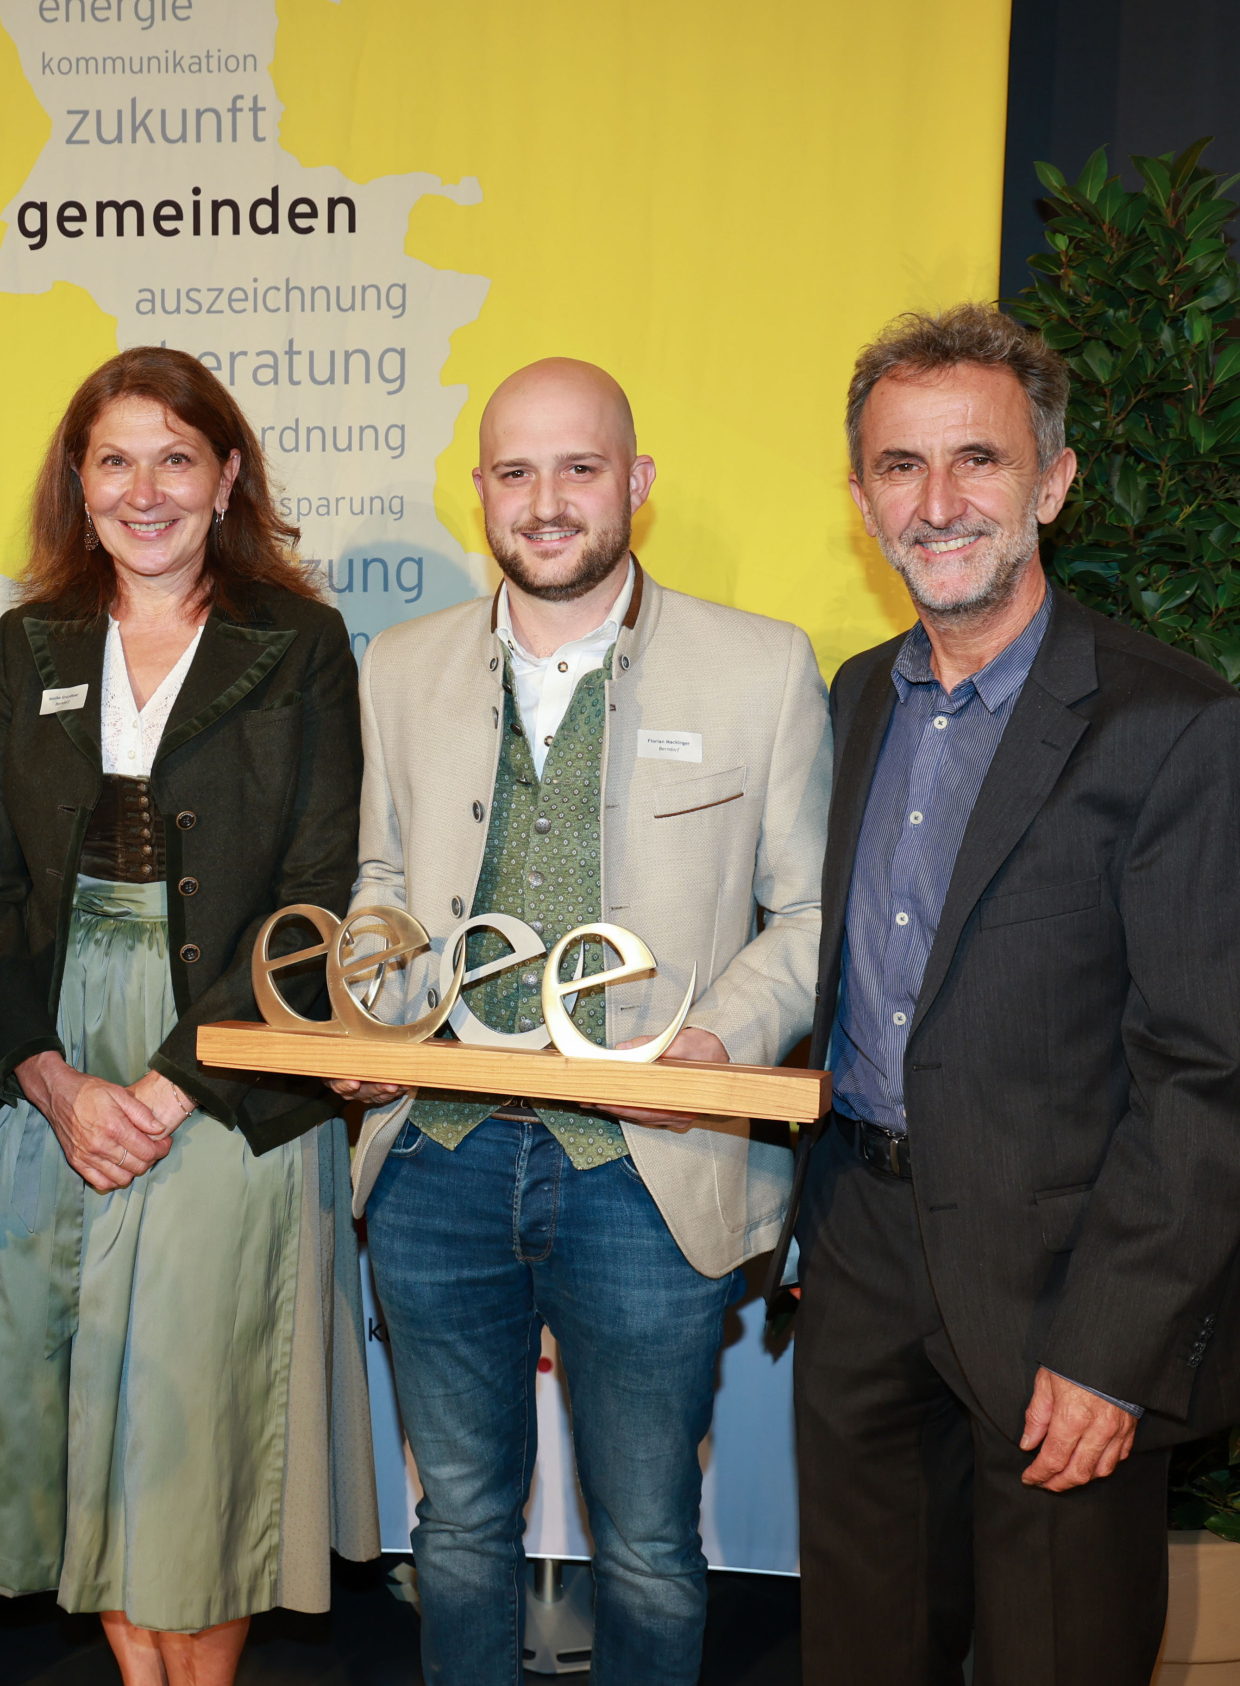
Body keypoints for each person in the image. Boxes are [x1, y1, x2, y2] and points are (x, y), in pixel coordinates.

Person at [787, 305, 1240, 1684]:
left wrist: (1115, 1347)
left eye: (979, 460)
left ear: (1053, 483)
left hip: (1063, 1284)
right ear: (862, 500)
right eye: (900, 466)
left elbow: (1208, 1079)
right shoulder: (853, 702)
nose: (938, 502)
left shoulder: (1177, 728)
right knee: (861, 1652)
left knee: (1058, 1656)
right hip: (861, 1247)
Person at [327, 358, 830, 1684]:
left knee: (651, 1543)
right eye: (515, 471)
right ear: (480, 491)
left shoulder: (763, 667)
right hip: (435, 1155)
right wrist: (373, 1021)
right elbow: (378, 886)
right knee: (458, 1525)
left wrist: (718, 1043)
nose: (545, 500)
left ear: (636, 482)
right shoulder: (400, 665)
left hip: (647, 1169)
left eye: (578, 468)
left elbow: (808, 914)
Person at [0, 346, 379, 1686]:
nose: (145, 490)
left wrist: (171, 1089)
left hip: (230, 1062)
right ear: (79, 483)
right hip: (49, 1062)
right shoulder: (31, 645)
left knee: (195, 1426)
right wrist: (50, 1080)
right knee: (72, 1405)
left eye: (176, 458)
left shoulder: (299, 646)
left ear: (227, 477)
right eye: (114, 460)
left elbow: (317, 893)